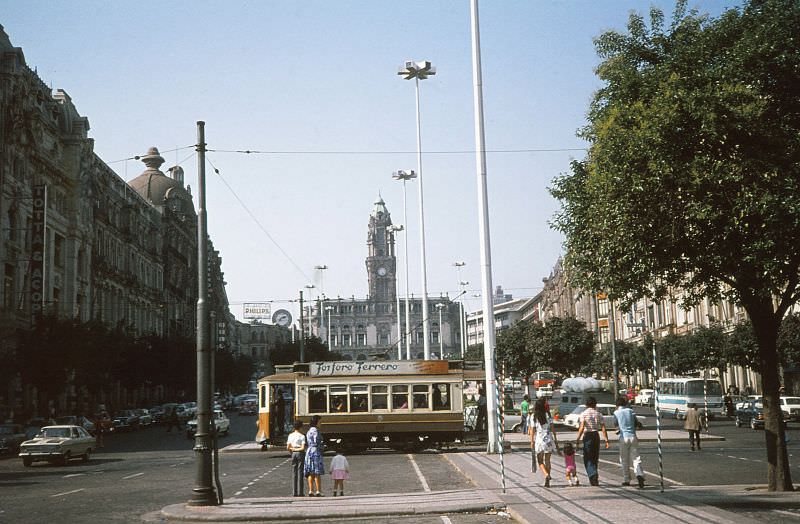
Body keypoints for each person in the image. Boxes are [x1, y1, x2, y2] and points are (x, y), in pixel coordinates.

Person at [575, 396, 609, 486]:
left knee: (588, 457)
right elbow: (603, 427)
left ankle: (592, 474)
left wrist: (578, 438)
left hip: (588, 436)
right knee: (595, 457)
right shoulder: (598, 414)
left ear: (586, 404)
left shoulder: (583, 414)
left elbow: (582, 427)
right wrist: (606, 440)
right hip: (595, 435)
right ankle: (594, 477)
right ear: (595, 404)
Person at [613, 397, 645, 489]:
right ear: (625, 404)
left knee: (624, 459)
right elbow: (636, 423)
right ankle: (639, 474)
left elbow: (616, 425)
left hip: (623, 437)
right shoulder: (631, 411)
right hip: (633, 436)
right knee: (636, 458)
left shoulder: (616, 413)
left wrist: (618, 431)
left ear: (617, 405)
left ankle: (627, 479)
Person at [529, 398, 560, 487]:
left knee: (540, 460)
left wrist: (531, 441)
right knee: (547, 460)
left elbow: (532, 430)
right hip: (548, 439)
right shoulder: (548, 415)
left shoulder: (534, 416)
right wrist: (555, 439)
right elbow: (552, 428)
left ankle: (546, 474)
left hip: (539, 440)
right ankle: (548, 482)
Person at [304, 415, 325, 496]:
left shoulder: (309, 431)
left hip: (309, 450)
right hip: (315, 451)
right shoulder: (316, 431)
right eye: (320, 422)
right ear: (316, 422)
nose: (321, 423)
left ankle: (310, 490)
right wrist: (322, 446)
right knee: (317, 472)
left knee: (310, 472)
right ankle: (318, 491)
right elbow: (317, 441)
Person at [286, 419, 306, 497]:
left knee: (294, 473)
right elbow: (303, 448)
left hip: (293, 453)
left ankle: (294, 492)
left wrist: (292, 451)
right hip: (300, 453)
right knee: (300, 472)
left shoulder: (290, 435)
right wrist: (297, 450)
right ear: (300, 427)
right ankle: (300, 492)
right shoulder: (302, 436)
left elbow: (288, 447)